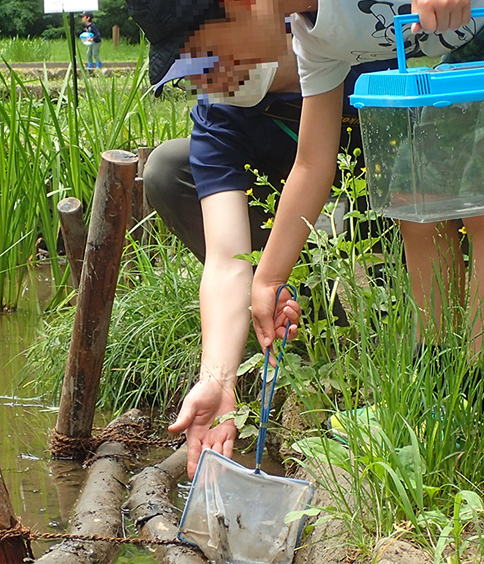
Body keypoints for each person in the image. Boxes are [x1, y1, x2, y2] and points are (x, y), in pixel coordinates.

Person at [125, 0, 484, 481]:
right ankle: (435, 395)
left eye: (203, 52)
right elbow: (313, 164)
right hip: (478, 29)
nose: (207, 73)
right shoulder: (314, 37)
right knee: (414, 197)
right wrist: (267, 278)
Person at [143, 42, 389, 479]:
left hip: (381, 190)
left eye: (207, 69)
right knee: (167, 166)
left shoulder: (347, 41)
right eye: (191, 80)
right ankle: (308, 321)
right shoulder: (219, 109)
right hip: (281, 208)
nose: (205, 85)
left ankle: (415, 358)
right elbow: (227, 260)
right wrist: (218, 379)